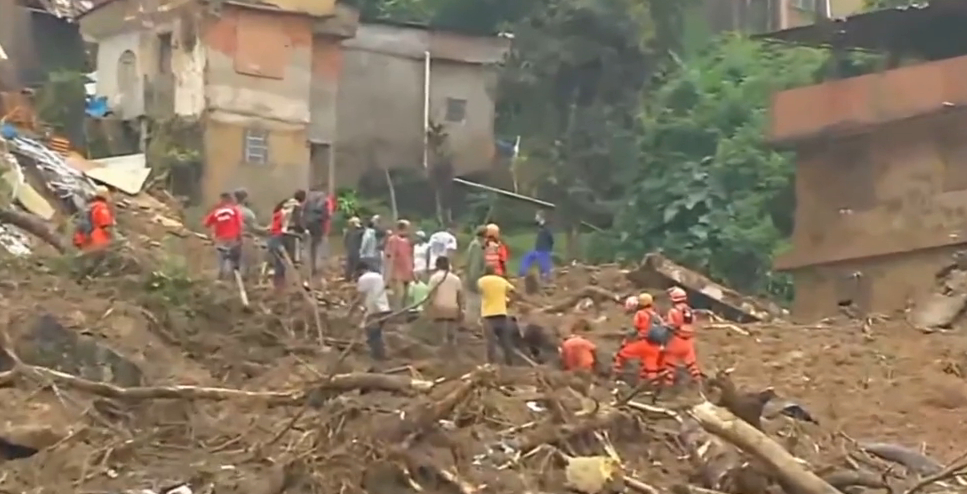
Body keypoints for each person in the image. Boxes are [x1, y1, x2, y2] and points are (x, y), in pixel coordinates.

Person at [613, 293, 667, 386]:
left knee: (621, 354)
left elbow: (635, 330)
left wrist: (626, 340)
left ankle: (614, 376)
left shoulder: (640, 314)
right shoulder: (656, 315)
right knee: (651, 369)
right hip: (656, 346)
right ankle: (653, 390)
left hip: (644, 343)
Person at [478, 264, 519, 365]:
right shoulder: (501, 280)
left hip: (488, 315)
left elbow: (477, 291)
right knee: (505, 341)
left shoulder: (482, 281)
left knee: (490, 342)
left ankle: (491, 364)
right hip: (501, 314)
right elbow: (514, 292)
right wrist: (509, 302)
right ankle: (510, 363)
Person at [663, 286, 702, 386]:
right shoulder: (690, 311)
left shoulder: (673, 311)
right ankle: (699, 386)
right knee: (692, 365)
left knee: (669, 365)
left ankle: (667, 387)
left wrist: (664, 324)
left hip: (677, 340)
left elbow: (671, 325)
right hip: (688, 342)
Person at [266, 192, 304, 291]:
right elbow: (297, 222)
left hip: (277, 234)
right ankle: (288, 283)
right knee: (289, 260)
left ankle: (279, 282)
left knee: (279, 260)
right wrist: (303, 230)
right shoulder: (296, 206)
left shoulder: (284, 205)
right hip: (288, 235)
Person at [204, 192, 244, 280]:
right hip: (233, 238)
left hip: (220, 239)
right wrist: (240, 237)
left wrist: (212, 235)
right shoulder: (235, 210)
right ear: (230, 200)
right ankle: (234, 277)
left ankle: (221, 277)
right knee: (234, 258)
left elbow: (206, 224)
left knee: (221, 259)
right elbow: (240, 224)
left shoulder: (216, 212)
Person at [356, 260, 391, 361]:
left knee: (372, 332)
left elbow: (360, 297)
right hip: (384, 308)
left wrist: (353, 308)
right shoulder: (378, 276)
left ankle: (378, 356)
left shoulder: (363, 279)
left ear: (359, 271)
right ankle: (381, 353)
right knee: (377, 332)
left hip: (375, 309)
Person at [427, 256, 463, 349]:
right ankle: (453, 348)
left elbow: (431, 294)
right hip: (452, 308)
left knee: (441, 334)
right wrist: (460, 309)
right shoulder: (456, 279)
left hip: (438, 308)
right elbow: (460, 296)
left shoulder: (434, 278)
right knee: (452, 331)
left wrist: (429, 308)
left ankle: (442, 347)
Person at [72, 185, 115, 251]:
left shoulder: (89, 206)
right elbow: (105, 226)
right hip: (96, 242)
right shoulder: (102, 208)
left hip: (82, 240)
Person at [304, 186, 333, 277]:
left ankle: (312, 266)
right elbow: (327, 215)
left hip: (308, 227)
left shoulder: (308, 203)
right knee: (318, 245)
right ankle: (317, 266)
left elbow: (304, 213)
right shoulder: (323, 203)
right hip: (318, 227)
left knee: (311, 247)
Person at [385, 219, 414, 310]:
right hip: (397, 272)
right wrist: (389, 274)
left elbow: (409, 257)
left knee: (406, 295)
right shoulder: (393, 240)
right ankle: (397, 313)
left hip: (407, 272)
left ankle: (404, 312)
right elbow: (391, 256)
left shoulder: (407, 241)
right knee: (399, 295)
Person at [519, 213, 554, 281]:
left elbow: (551, 240)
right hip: (537, 249)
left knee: (545, 264)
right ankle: (522, 273)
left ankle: (547, 276)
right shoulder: (541, 228)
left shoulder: (546, 227)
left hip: (544, 250)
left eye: (537, 217)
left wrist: (549, 249)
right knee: (527, 257)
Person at [463, 226, 487, 323]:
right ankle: (471, 326)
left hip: (471, 279)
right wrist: (475, 283)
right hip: (474, 281)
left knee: (472, 304)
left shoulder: (474, 245)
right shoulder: (476, 247)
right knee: (474, 304)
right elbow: (475, 266)